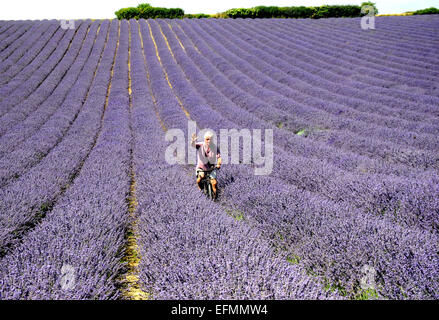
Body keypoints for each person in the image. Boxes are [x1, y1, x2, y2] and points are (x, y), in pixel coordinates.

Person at [191, 131, 222, 197]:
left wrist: (219, 164)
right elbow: (193, 145)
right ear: (204, 139)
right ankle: (200, 189)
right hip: (201, 168)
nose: (209, 141)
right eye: (207, 139)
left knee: (214, 183)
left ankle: (215, 197)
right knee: (200, 178)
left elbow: (219, 157)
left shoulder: (215, 147)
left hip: (211, 168)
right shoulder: (201, 145)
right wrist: (193, 141)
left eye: (211, 139)